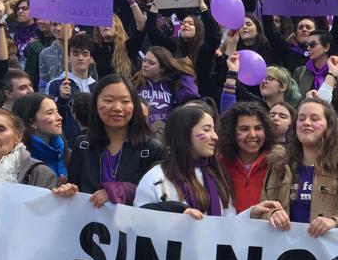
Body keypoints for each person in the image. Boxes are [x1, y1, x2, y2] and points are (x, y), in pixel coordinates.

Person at [256, 99, 338, 235]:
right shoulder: (279, 164)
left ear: (329, 126)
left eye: (314, 119)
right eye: (301, 119)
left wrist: (336, 223)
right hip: (284, 253)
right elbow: (260, 213)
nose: (306, 123)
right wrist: (271, 214)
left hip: (329, 254)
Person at [53, 75, 163, 207]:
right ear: (96, 104)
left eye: (125, 101)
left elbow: (160, 196)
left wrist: (118, 191)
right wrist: (67, 191)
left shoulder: (152, 149)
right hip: (89, 225)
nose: (117, 107)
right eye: (109, 100)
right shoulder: (82, 145)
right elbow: (75, 190)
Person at [136, 105, 235, 219]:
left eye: (214, 130)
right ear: (184, 133)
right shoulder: (155, 178)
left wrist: (250, 214)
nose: (215, 136)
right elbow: (140, 223)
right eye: (207, 130)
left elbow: (229, 223)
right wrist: (179, 221)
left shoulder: (217, 175)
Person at [218, 102, 276, 213]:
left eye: (258, 128)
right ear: (231, 132)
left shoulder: (278, 164)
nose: (253, 135)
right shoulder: (219, 165)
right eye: (244, 129)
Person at [133, 47, 200, 136]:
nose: (145, 65)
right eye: (144, 61)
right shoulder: (137, 83)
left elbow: (191, 93)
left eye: (151, 63)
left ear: (162, 68)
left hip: (165, 135)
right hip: (140, 134)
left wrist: (180, 70)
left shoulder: (172, 85)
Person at [12, 93, 68, 180]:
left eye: (57, 111)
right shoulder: (17, 159)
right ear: (31, 122)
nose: (59, 117)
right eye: (49, 113)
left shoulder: (67, 152)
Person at [91, 14, 141, 79]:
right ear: (98, 29)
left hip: (125, 87)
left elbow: (141, 27)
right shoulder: (94, 49)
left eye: (109, 22)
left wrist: (133, 4)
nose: (105, 25)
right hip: (102, 88)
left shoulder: (129, 46)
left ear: (117, 27)